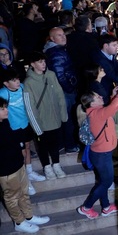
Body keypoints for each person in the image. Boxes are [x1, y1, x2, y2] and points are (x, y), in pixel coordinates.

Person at [0, 97, 51, 233]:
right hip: (6, 171)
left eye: (5, 107)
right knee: (12, 198)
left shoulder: (4, 122)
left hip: (18, 165)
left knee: (24, 193)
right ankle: (19, 222)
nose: (6, 110)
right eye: (2, 108)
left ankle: (29, 216)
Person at [76, 87, 118, 219]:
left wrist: (113, 96)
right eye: (97, 97)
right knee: (106, 182)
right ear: (92, 103)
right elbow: (112, 107)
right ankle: (86, 207)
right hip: (102, 155)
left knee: (103, 181)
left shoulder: (96, 112)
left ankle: (106, 207)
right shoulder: (97, 114)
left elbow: (111, 109)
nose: (100, 97)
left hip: (101, 154)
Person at [24, 52, 68, 180]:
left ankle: (56, 164)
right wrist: (37, 126)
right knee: (42, 146)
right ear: (32, 64)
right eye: (39, 62)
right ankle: (47, 167)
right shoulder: (28, 82)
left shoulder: (51, 75)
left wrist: (63, 114)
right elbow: (30, 106)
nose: (43, 64)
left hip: (55, 118)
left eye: (44, 61)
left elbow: (60, 95)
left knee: (55, 144)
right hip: (41, 121)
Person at [0, 69, 44, 195]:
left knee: (28, 146)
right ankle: (26, 179)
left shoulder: (24, 88)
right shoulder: (2, 93)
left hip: (26, 124)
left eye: (18, 79)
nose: (17, 82)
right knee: (22, 152)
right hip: (13, 128)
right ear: (6, 83)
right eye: (13, 80)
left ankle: (30, 172)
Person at [44, 27, 79, 153]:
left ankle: (63, 144)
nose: (63, 37)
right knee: (67, 118)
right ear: (52, 39)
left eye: (64, 34)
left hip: (64, 90)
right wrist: (69, 88)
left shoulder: (56, 50)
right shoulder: (56, 53)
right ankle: (69, 144)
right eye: (59, 35)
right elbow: (59, 75)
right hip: (64, 92)